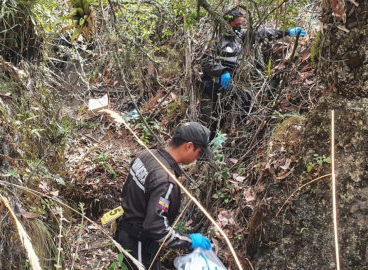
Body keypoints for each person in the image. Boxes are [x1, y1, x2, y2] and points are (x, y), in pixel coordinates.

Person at [114, 122, 215, 270]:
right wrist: (189, 240)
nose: (197, 158)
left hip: (123, 233)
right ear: (188, 146)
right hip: (139, 245)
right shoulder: (165, 180)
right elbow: (156, 228)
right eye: (199, 152)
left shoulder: (146, 155)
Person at [200, 10, 306, 138]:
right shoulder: (215, 38)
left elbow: (262, 33)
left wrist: (288, 32)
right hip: (213, 82)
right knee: (218, 115)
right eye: (236, 24)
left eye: (241, 24)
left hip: (230, 83)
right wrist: (222, 71)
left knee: (243, 98)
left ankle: (239, 133)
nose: (239, 27)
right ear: (226, 22)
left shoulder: (239, 36)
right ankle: (208, 145)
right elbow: (205, 62)